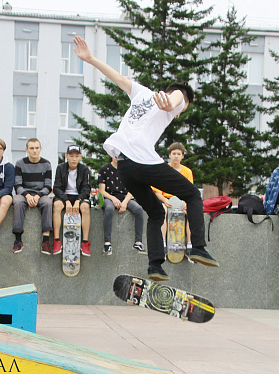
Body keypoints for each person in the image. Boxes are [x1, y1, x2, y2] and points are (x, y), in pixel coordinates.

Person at [73, 35, 218, 281]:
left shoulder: (141, 92)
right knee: (193, 194)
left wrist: (90, 59)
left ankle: (155, 266)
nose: (180, 113)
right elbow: (175, 99)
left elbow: (118, 78)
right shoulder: (177, 97)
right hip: (142, 160)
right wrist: (171, 104)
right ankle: (199, 247)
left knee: (156, 213)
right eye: (183, 110)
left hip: (124, 166)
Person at [152, 142, 193, 258]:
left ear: (182, 156)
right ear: (169, 155)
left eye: (178, 154)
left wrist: (186, 202)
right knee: (162, 212)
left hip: (181, 200)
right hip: (166, 199)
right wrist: (165, 200)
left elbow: (190, 191)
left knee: (192, 212)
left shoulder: (187, 172)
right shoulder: (163, 170)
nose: (176, 156)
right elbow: (157, 192)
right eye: (174, 154)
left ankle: (189, 244)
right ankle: (163, 243)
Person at [13, 138, 53, 255]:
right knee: (17, 201)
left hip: (40, 194)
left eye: (36, 148)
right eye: (31, 148)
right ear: (27, 149)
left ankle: (45, 241)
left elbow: (48, 186)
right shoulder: (20, 163)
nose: (34, 151)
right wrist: (27, 195)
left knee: (48, 202)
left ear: (40, 149)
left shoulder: (46, 164)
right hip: (24, 193)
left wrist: (38, 196)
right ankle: (18, 240)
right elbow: (17, 185)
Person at [98, 157, 146, 256]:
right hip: (109, 197)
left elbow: (132, 190)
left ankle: (138, 242)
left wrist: (124, 202)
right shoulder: (104, 169)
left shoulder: (128, 170)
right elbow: (102, 191)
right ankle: (107, 243)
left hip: (125, 197)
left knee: (138, 209)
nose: (117, 157)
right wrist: (113, 198)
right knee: (109, 209)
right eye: (115, 154)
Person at [52, 144, 91, 256]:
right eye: (71, 156)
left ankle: (85, 242)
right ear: (66, 156)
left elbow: (86, 189)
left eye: (76, 156)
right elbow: (57, 187)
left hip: (79, 196)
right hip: (64, 196)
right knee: (57, 206)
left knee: (85, 207)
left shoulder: (84, 169)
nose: (74, 159)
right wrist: (66, 200)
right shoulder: (61, 168)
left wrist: (79, 200)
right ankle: (56, 240)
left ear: (80, 157)